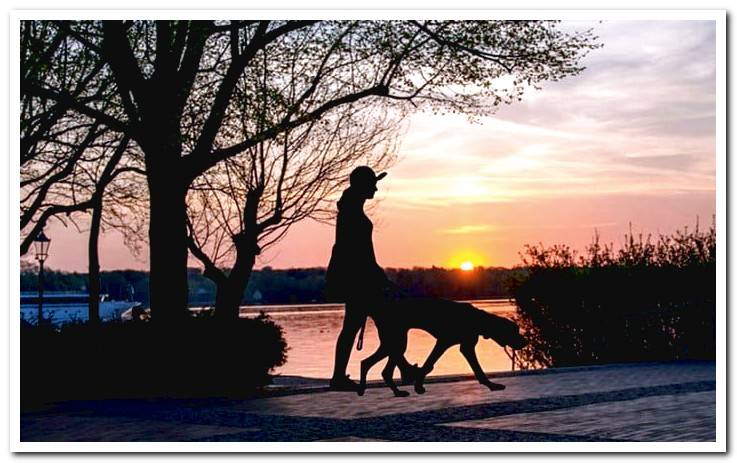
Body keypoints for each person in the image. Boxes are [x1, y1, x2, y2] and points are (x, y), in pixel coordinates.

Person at [325, 166, 415, 391]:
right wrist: (378, 277)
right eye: (372, 184)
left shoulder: (351, 207)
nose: (375, 188)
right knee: (380, 323)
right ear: (362, 185)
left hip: (363, 279)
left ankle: (402, 368)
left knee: (377, 324)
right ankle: (401, 368)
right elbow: (358, 251)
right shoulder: (351, 212)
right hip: (361, 281)